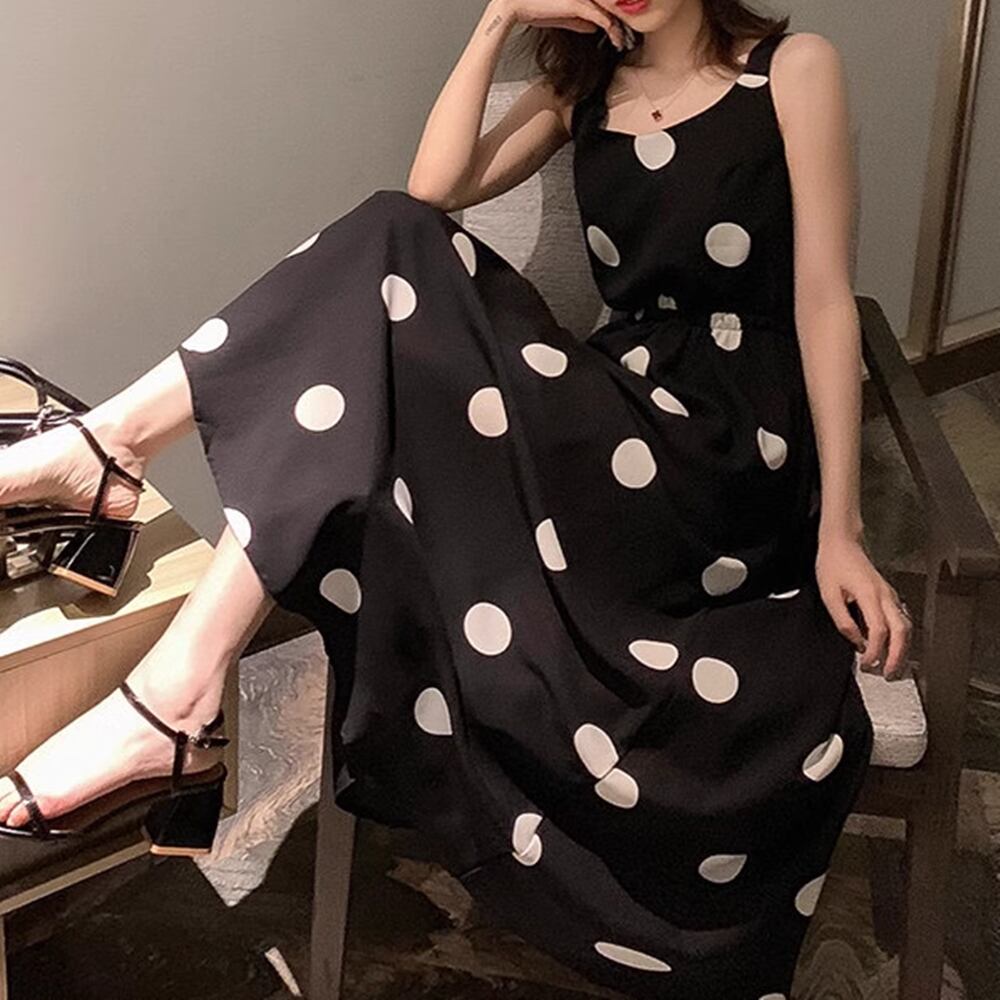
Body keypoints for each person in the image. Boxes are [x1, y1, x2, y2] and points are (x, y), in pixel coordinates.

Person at [1, 0, 913, 995]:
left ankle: (117, 486)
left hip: (724, 453)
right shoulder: (582, 88)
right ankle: (169, 655)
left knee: (378, 313)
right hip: (610, 413)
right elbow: (433, 192)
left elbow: (825, 301)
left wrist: (840, 526)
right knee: (388, 255)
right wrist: (496, 21)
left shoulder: (789, 68)